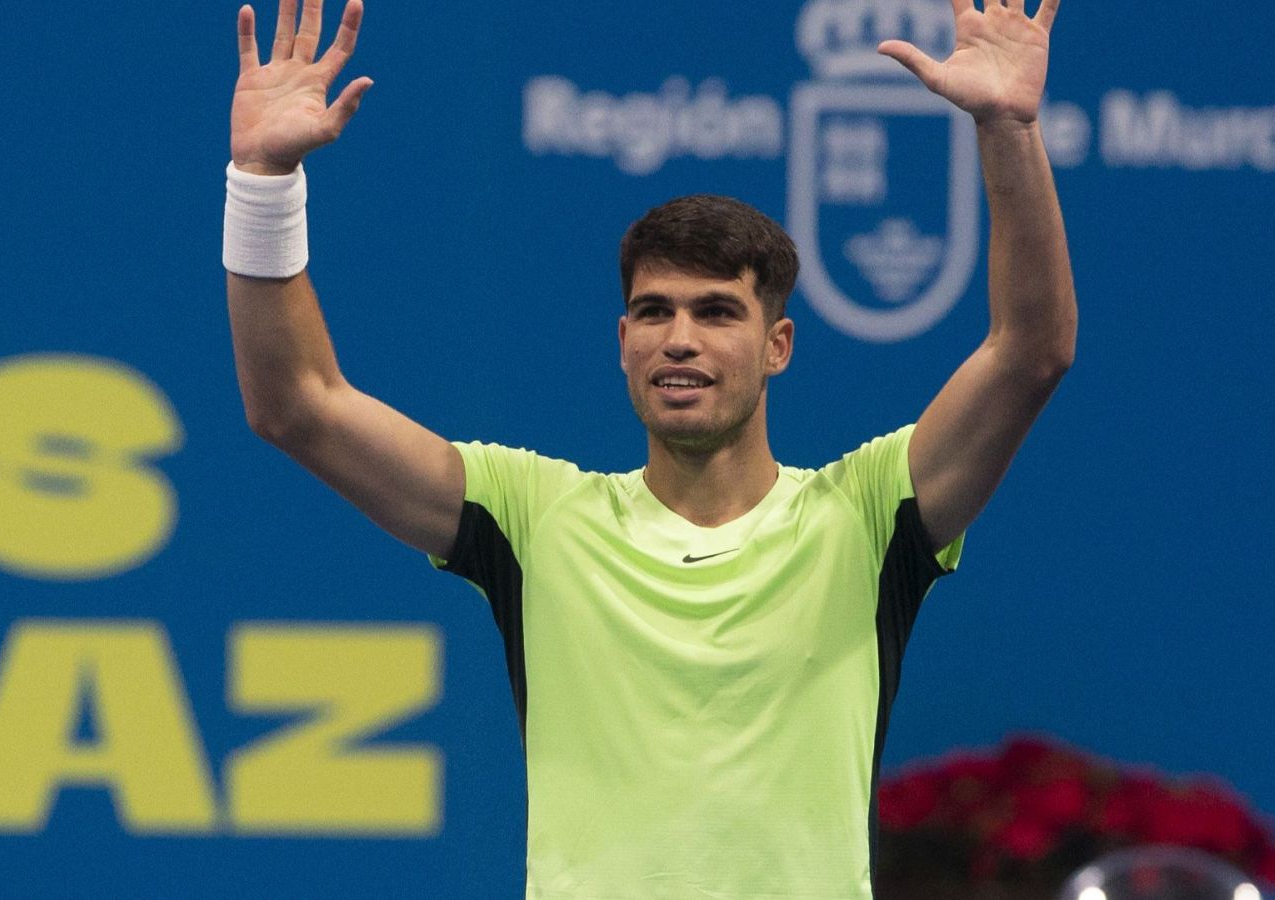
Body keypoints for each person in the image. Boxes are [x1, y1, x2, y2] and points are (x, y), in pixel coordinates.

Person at [222, 0, 1076, 896]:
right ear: (621, 339)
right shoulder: (531, 514)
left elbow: (1031, 351)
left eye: (716, 313)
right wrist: (263, 179)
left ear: (777, 345)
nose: (680, 339)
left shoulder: (868, 514)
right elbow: (299, 406)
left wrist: (1009, 128)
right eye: (655, 312)